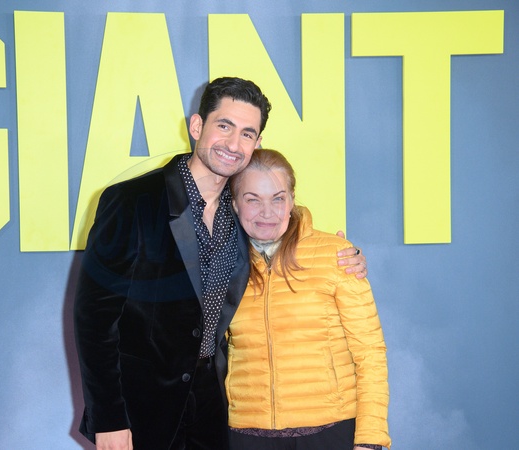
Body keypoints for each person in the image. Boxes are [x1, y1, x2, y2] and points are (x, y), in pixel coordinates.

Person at [72, 77, 367, 450]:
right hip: (140, 409)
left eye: (247, 133)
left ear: (257, 143)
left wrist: (345, 255)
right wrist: (109, 418)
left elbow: (288, 226)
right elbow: (94, 318)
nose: (233, 143)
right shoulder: (132, 200)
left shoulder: (244, 211)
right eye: (224, 126)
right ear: (197, 126)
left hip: (214, 406)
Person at [226, 149, 390, 450]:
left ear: (291, 200)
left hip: (330, 434)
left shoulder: (336, 255)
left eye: (278, 198)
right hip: (245, 436)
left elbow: (370, 354)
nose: (267, 212)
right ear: (235, 204)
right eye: (252, 199)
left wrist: (370, 439)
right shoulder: (221, 266)